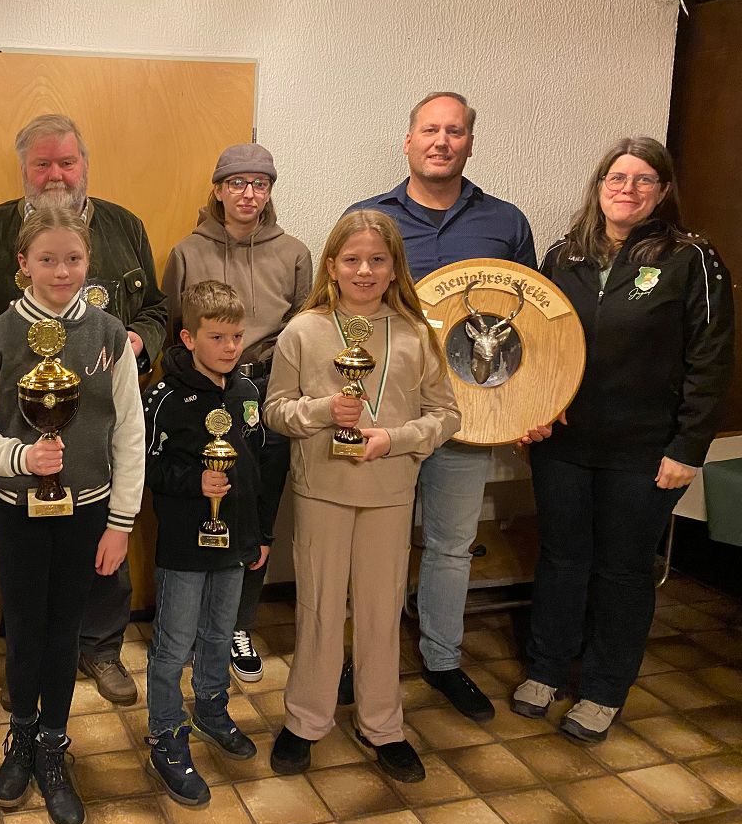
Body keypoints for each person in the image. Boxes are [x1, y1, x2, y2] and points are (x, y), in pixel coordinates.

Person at [0, 113, 165, 707]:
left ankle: (103, 651)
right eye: (43, 163)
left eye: (67, 161)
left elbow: (157, 313)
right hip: (20, 466)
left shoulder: (124, 228)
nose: (56, 174)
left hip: (96, 469)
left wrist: (136, 342)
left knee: (96, 572)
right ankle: (26, 690)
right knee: (28, 599)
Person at [512, 137, 734, 742]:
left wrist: (689, 447)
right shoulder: (564, 256)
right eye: (617, 177)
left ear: (662, 191)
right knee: (561, 559)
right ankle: (548, 667)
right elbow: (534, 344)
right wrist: (528, 411)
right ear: (599, 185)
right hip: (565, 443)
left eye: (642, 180)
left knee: (624, 569)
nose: (627, 189)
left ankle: (606, 688)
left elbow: (710, 361)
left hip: (645, 450)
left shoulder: (694, 259)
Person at [0, 205, 144, 824]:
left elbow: (130, 434)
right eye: (48, 259)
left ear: (90, 263)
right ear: (22, 264)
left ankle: (55, 746)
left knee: (67, 635)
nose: (62, 271)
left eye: (74, 259)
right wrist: (19, 455)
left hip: (88, 517)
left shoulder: (111, 335)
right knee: (25, 631)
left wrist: (121, 522)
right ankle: (20, 738)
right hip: (21, 513)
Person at [344, 92, 535, 721]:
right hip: (384, 419)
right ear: (407, 140)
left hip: (469, 420)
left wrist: (524, 407)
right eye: (430, 129)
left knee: (453, 546)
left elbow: (530, 326)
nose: (441, 141)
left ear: (470, 144)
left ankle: (443, 660)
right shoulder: (368, 216)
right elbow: (342, 312)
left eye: (455, 131)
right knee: (375, 543)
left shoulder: (505, 222)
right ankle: (360, 659)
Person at [265, 210, 460, 783]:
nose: (365, 270)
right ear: (332, 266)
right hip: (322, 488)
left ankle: (384, 726)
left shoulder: (417, 334)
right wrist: (324, 410)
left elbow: (445, 414)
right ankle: (305, 720)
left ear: (395, 266)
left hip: (389, 489)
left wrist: (393, 439)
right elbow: (276, 411)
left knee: (379, 612)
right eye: (352, 260)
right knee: (320, 607)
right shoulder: (303, 331)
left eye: (378, 259)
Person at [162, 144, 310, 683]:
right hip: (205, 391)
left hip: (268, 388)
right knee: (202, 498)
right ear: (219, 189)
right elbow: (175, 326)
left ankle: (237, 623)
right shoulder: (186, 251)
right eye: (238, 183)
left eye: (260, 184)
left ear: (270, 191)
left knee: (256, 511)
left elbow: (302, 328)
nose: (249, 194)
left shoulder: (293, 253)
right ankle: (191, 623)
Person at [142, 281, 264, 806]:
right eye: (218, 337)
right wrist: (194, 483)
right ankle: (166, 735)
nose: (231, 347)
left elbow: (256, 468)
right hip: (185, 548)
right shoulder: (164, 396)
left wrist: (258, 532)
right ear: (189, 338)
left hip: (235, 542)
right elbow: (146, 467)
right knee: (174, 645)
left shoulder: (247, 391)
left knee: (219, 634)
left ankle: (212, 708)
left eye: (238, 335)